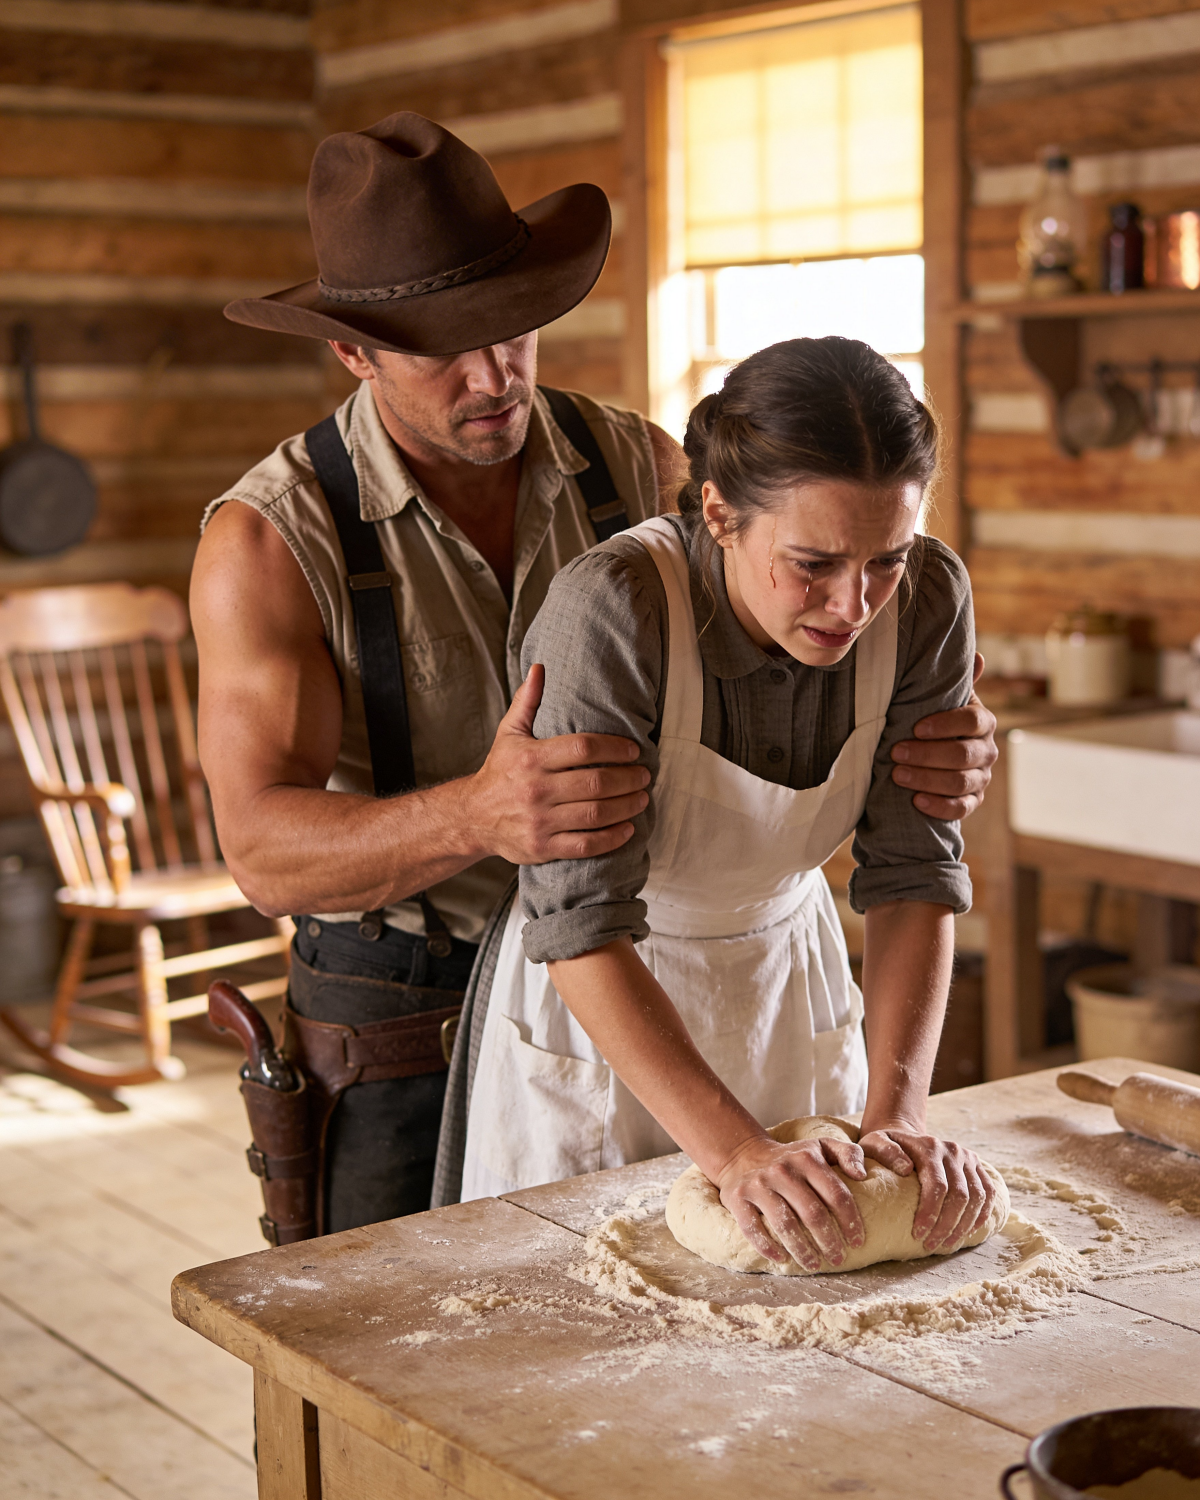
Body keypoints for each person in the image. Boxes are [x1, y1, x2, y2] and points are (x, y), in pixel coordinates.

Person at [190, 111, 998, 1237]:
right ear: (353, 351)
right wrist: (480, 812)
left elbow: (771, 627)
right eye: (442, 345)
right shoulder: (274, 539)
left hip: (657, 959)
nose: (493, 372)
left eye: (512, 328)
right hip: (402, 996)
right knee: (387, 1340)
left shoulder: (642, 463)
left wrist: (903, 749)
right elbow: (263, 855)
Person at [456, 339, 995, 1269]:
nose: (853, 603)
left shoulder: (931, 596)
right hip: (608, 999)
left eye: (886, 560)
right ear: (719, 512)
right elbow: (580, 917)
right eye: (814, 562)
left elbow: (914, 871)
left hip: (788, 979)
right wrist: (737, 1151)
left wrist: (898, 1121)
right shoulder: (616, 611)